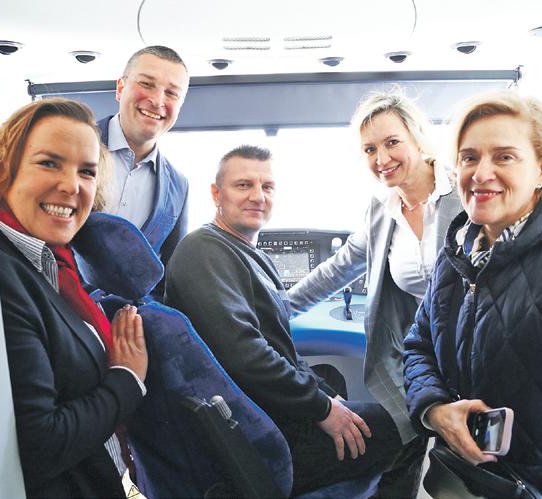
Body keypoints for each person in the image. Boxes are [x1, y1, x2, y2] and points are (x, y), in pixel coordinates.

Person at [164, 145, 408, 496]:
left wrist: (327, 396)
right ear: (216, 194)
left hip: (267, 412)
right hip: (263, 437)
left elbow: (282, 348)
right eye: (243, 185)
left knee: (333, 379)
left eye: (267, 187)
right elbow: (244, 354)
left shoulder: (248, 253)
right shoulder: (202, 250)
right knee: (407, 425)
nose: (258, 196)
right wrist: (322, 408)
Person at [403, 90, 542, 495]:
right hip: (464, 474)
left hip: (540, 484)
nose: (481, 173)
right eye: (469, 158)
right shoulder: (458, 251)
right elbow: (418, 345)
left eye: (504, 157)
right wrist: (434, 410)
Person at [287, 90, 462, 493]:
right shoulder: (382, 210)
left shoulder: (462, 191)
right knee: (402, 447)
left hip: (468, 349)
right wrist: (277, 310)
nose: (381, 158)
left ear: (418, 138)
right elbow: (339, 269)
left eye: (391, 142)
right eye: (369, 149)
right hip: (421, 356)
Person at [0, 98, 148, 498]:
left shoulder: (53, 264)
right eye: (49, 163)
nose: (72, 186)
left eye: (86, 171)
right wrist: (128, 379)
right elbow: (41, 444)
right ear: (4, 169)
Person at [98, 45, 191, 298]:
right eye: (147, 84)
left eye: (171, 93)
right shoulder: (71, 145)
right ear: (120, 88)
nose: (158, 101)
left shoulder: (179, 186)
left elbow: (167, 280)